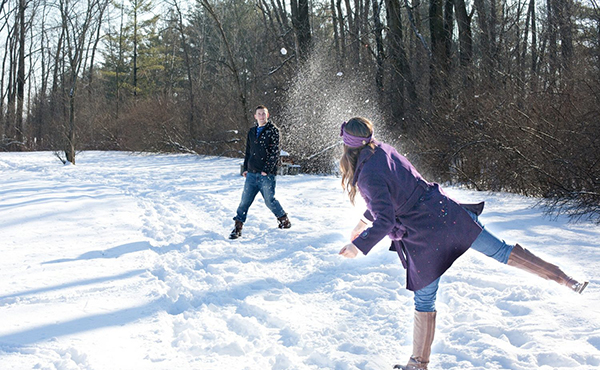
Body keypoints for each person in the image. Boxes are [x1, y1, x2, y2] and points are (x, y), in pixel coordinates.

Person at [337, 117, 588, 370]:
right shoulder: (383, 150)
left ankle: (417, 365)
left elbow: (387, 217)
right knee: (501, 250)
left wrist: (358, 246)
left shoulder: (367, 174)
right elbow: (398, 192)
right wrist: (361, 222)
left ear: (348, 147)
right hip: (446, 213)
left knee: (424, 301)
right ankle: (566, 279)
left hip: (424, 235)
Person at [229, 105, 291, 239]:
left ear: (267, 116)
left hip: (266, 175)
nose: (261, 116)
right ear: (255, 116)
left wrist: (266, 170)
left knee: (270, 201)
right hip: (251, 173)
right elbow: (248, 151)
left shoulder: (273, 131)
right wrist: (246, 168)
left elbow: (275, 152)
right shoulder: (251, 132)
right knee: (244, 201)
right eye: (259, 114)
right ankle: (237, 227)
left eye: (264, 114)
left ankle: (284, 220)